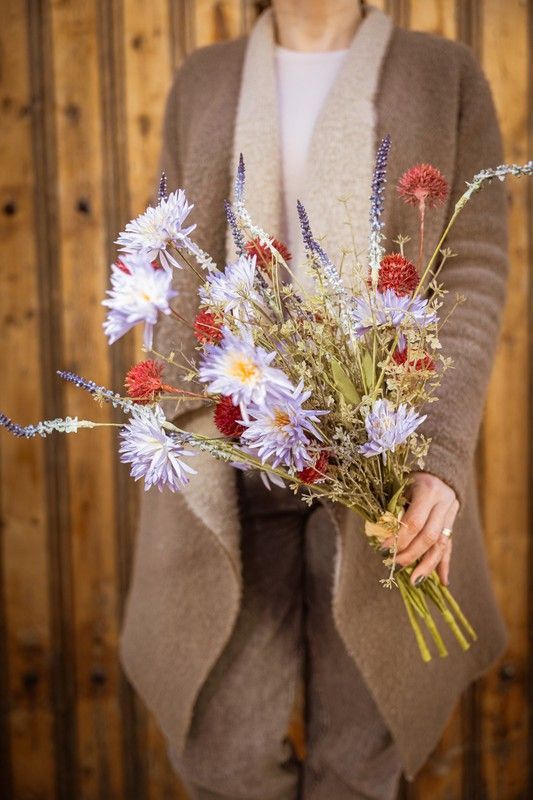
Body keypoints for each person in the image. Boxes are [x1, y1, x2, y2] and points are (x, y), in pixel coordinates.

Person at [119, 1, 509, 797]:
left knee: (359, 763)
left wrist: (437, 451)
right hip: (233, 449)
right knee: (222, 753)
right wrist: (170, 397)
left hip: (381, 458)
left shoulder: (442, 74)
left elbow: (471, 267)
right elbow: (173, 253)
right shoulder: (204, 79)